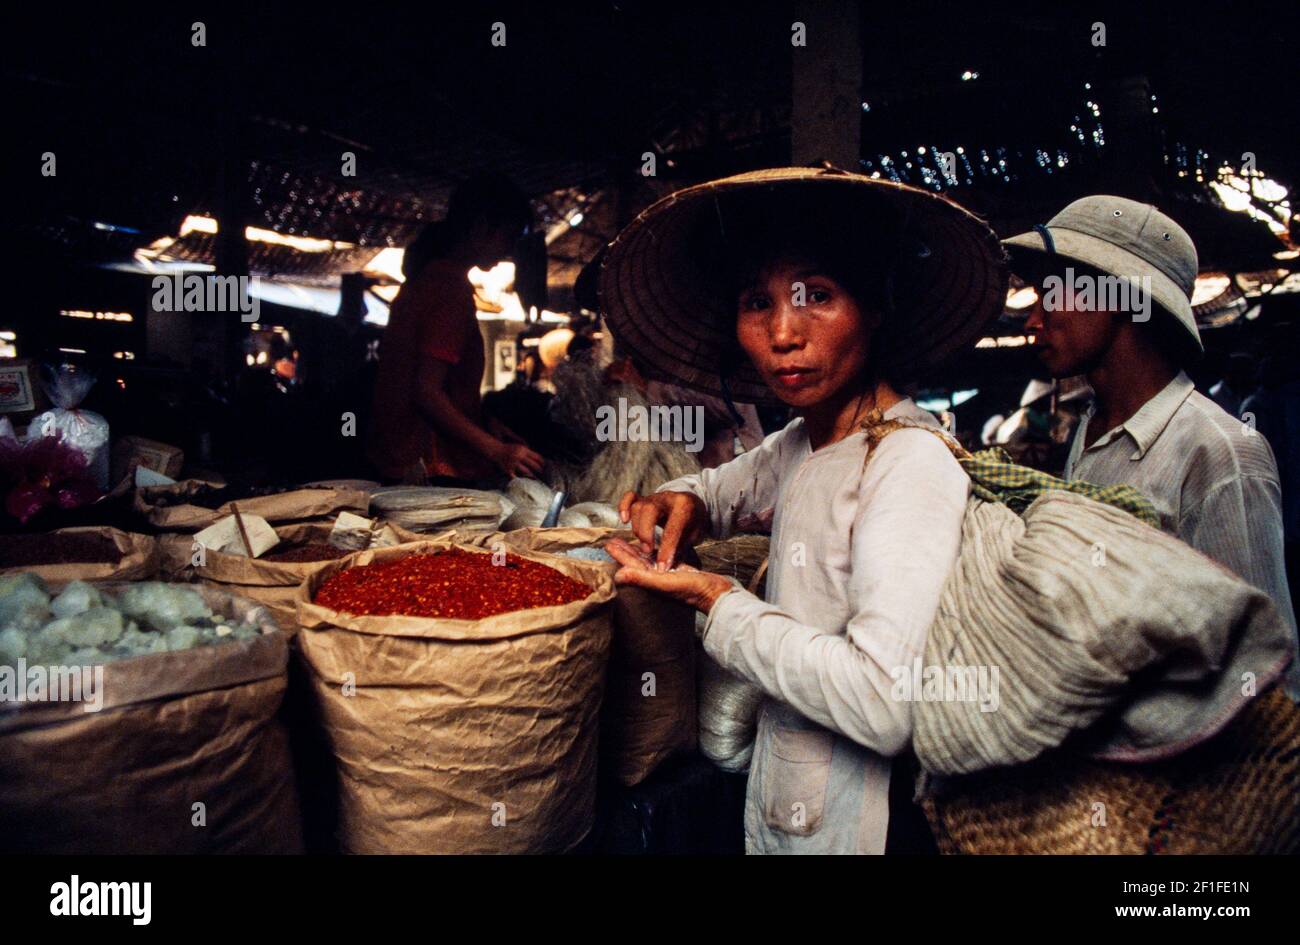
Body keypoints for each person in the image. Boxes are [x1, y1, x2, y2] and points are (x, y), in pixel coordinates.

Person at [598, 166, 1008, 854]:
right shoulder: (803, 439)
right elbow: (722, 489)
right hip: (788, 805)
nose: (783, 332)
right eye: (758, 302)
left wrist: (715, 599)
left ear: (875, 307)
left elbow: (885, 702)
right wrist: (683, 501)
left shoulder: (908, 461)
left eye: (817, 295)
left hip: (859, 827)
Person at [1005, 196, 1299, 690]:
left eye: (1052, 294)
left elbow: (1266, 667)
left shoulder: (1219, 451)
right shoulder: (1091, 430)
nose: (1035, 319)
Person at [367, 174, 544, 484]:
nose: (510, 249)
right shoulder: (448, 289)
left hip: (396, 457)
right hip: (424, 464)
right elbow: (426, 392)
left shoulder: (425, 279)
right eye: (509, 236)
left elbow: (434, 385)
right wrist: (497, 451)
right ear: (480, 228)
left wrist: (484, 421)